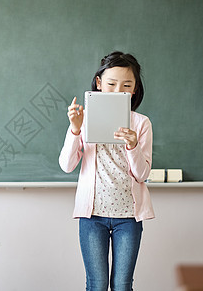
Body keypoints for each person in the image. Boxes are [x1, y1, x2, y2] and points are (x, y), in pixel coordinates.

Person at [59, 51, 155, 291]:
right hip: (92, 217)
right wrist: (75, 129)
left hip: (129, 217)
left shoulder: (141, 123)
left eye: (126, 85)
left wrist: (132, 146)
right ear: (99, 84)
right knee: (97, 284)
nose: (117, 90)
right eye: (111, 83)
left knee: (123, 285)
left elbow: (142, 175)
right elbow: (67, 165)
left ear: (134, 90)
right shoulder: (84, 119)